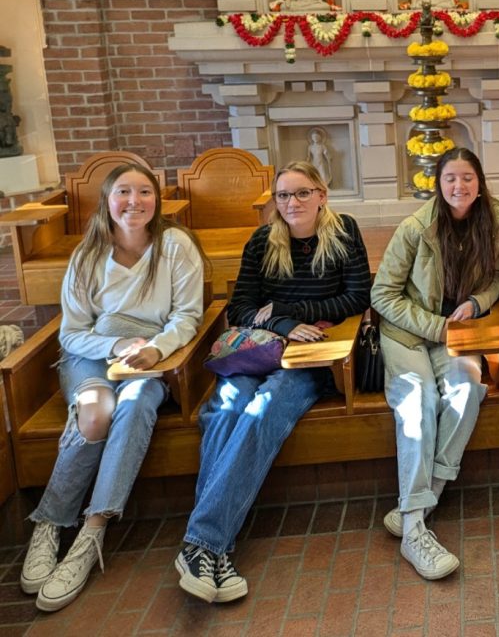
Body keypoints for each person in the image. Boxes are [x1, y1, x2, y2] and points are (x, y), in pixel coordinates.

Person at [175, 161, 370, 603]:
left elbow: (358, 297)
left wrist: (284, 310)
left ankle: (203, 543)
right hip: (258, 352)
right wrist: (282, 320)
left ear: (322, 194)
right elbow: (242, 308)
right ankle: (211, 548)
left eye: (302, 193)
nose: (292, 203)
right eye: (283, 196)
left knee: (263, 410)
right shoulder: (264, 240)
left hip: (311, 360)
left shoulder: (344, 233)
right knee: (225, 409)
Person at [20, 164, 205, 613]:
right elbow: (72, 332)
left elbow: (187, 316)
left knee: (138, 400)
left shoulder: (175, 246)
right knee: (97, 411)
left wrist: (156, 350)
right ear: (107, 200)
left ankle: (92, 531)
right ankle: (49, 522)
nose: (134, 201)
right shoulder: (87, 256)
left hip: (152, 353)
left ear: (157, 201)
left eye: (145, 192)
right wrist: (117, 342)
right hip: (93, 354)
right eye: (124, 192)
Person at [371, 148, 499, 580]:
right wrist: (435, 326)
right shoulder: (416, 227)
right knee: (419, 402)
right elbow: (382, 295)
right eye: (450, 178)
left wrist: (474, 301)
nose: (459, 187)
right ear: (439, 183)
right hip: (411, 335)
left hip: (459, 335)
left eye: (467, 178)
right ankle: (415, 533)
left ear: (479, 182)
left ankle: (419, 503)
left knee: (468, 389)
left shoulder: (496, 221)